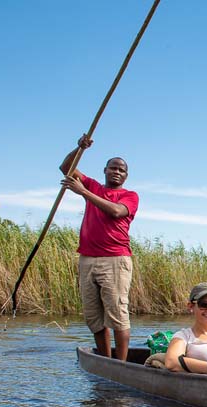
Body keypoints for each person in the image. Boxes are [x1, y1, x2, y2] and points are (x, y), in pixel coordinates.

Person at [60, 134, 139, 361]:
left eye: (121, 170)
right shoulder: (95, 186)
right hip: (87, 258)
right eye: (113, 168)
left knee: (117, 314)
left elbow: (116, 211)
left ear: (126, 176)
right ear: (105, 170)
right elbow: (66, 168)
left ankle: (121, 364)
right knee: (94, 317)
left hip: (115, 259)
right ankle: (105, 360)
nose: (117, 172)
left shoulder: (129, 196)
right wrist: (80, 149)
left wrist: (84, 192)